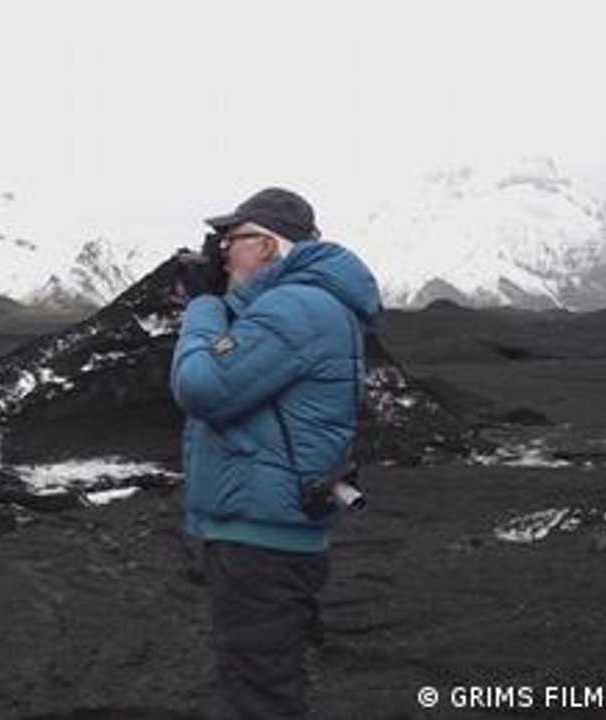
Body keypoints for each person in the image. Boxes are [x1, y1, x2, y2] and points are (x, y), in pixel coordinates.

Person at [170, 187, 381, 719]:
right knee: (268, 682)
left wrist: (202, 307)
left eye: (232, 239)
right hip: (272, 528)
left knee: (260, 698)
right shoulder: (304, 304)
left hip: (260, 540)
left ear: (266, 246)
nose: (221, 251)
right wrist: (225, 304)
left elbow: (204, 386)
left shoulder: (298, 306)